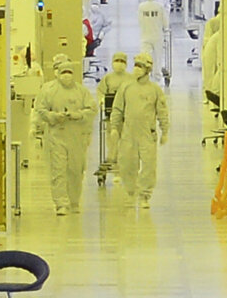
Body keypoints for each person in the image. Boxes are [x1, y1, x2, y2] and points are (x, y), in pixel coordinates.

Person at [34, 62, 96, 215]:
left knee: (76, 170)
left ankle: (74, 201)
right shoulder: (49, 90)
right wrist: (53, 117)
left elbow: (92, 109)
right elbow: (40, 109)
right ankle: (61, 203)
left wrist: (78, 115)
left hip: (76, 136)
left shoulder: (81, 91)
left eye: (69, 71)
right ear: (58, 73)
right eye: (63, 72)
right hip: (57, 135)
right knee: (59, 170)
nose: (66, 75)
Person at [111, 53, 169, 209]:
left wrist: (165, 131)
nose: (136, 69)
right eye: (135, 65)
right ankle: (130, 192)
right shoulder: (126, 87)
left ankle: (144, 195)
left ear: (148, 69)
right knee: (128, 164)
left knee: (149, 165)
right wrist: (114, 127)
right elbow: (117, 109)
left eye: (140, 66)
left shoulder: (154, 90)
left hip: (147, 133)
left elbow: (162, 111)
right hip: (129, 132)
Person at [97, 52, 133, 164]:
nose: (119, 63)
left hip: (126, 113)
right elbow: (100, 91)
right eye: (117, 61)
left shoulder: (130, 78)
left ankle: (124, 159)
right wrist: (102, 101)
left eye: (122, 61)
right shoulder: (108, 78)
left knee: (126, 137)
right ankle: (112, 157)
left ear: (126, 64)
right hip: (111, 112)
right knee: (111, 136)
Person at [138, 0, 169, 83]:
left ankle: (145, 73)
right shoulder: (159, 6)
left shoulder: (141, 7)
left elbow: (139, 20)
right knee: (158, 56)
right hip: (157, 35)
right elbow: (165, 21)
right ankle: (157, 75)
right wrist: (166, 29)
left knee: (145, 55)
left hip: (145, 35)